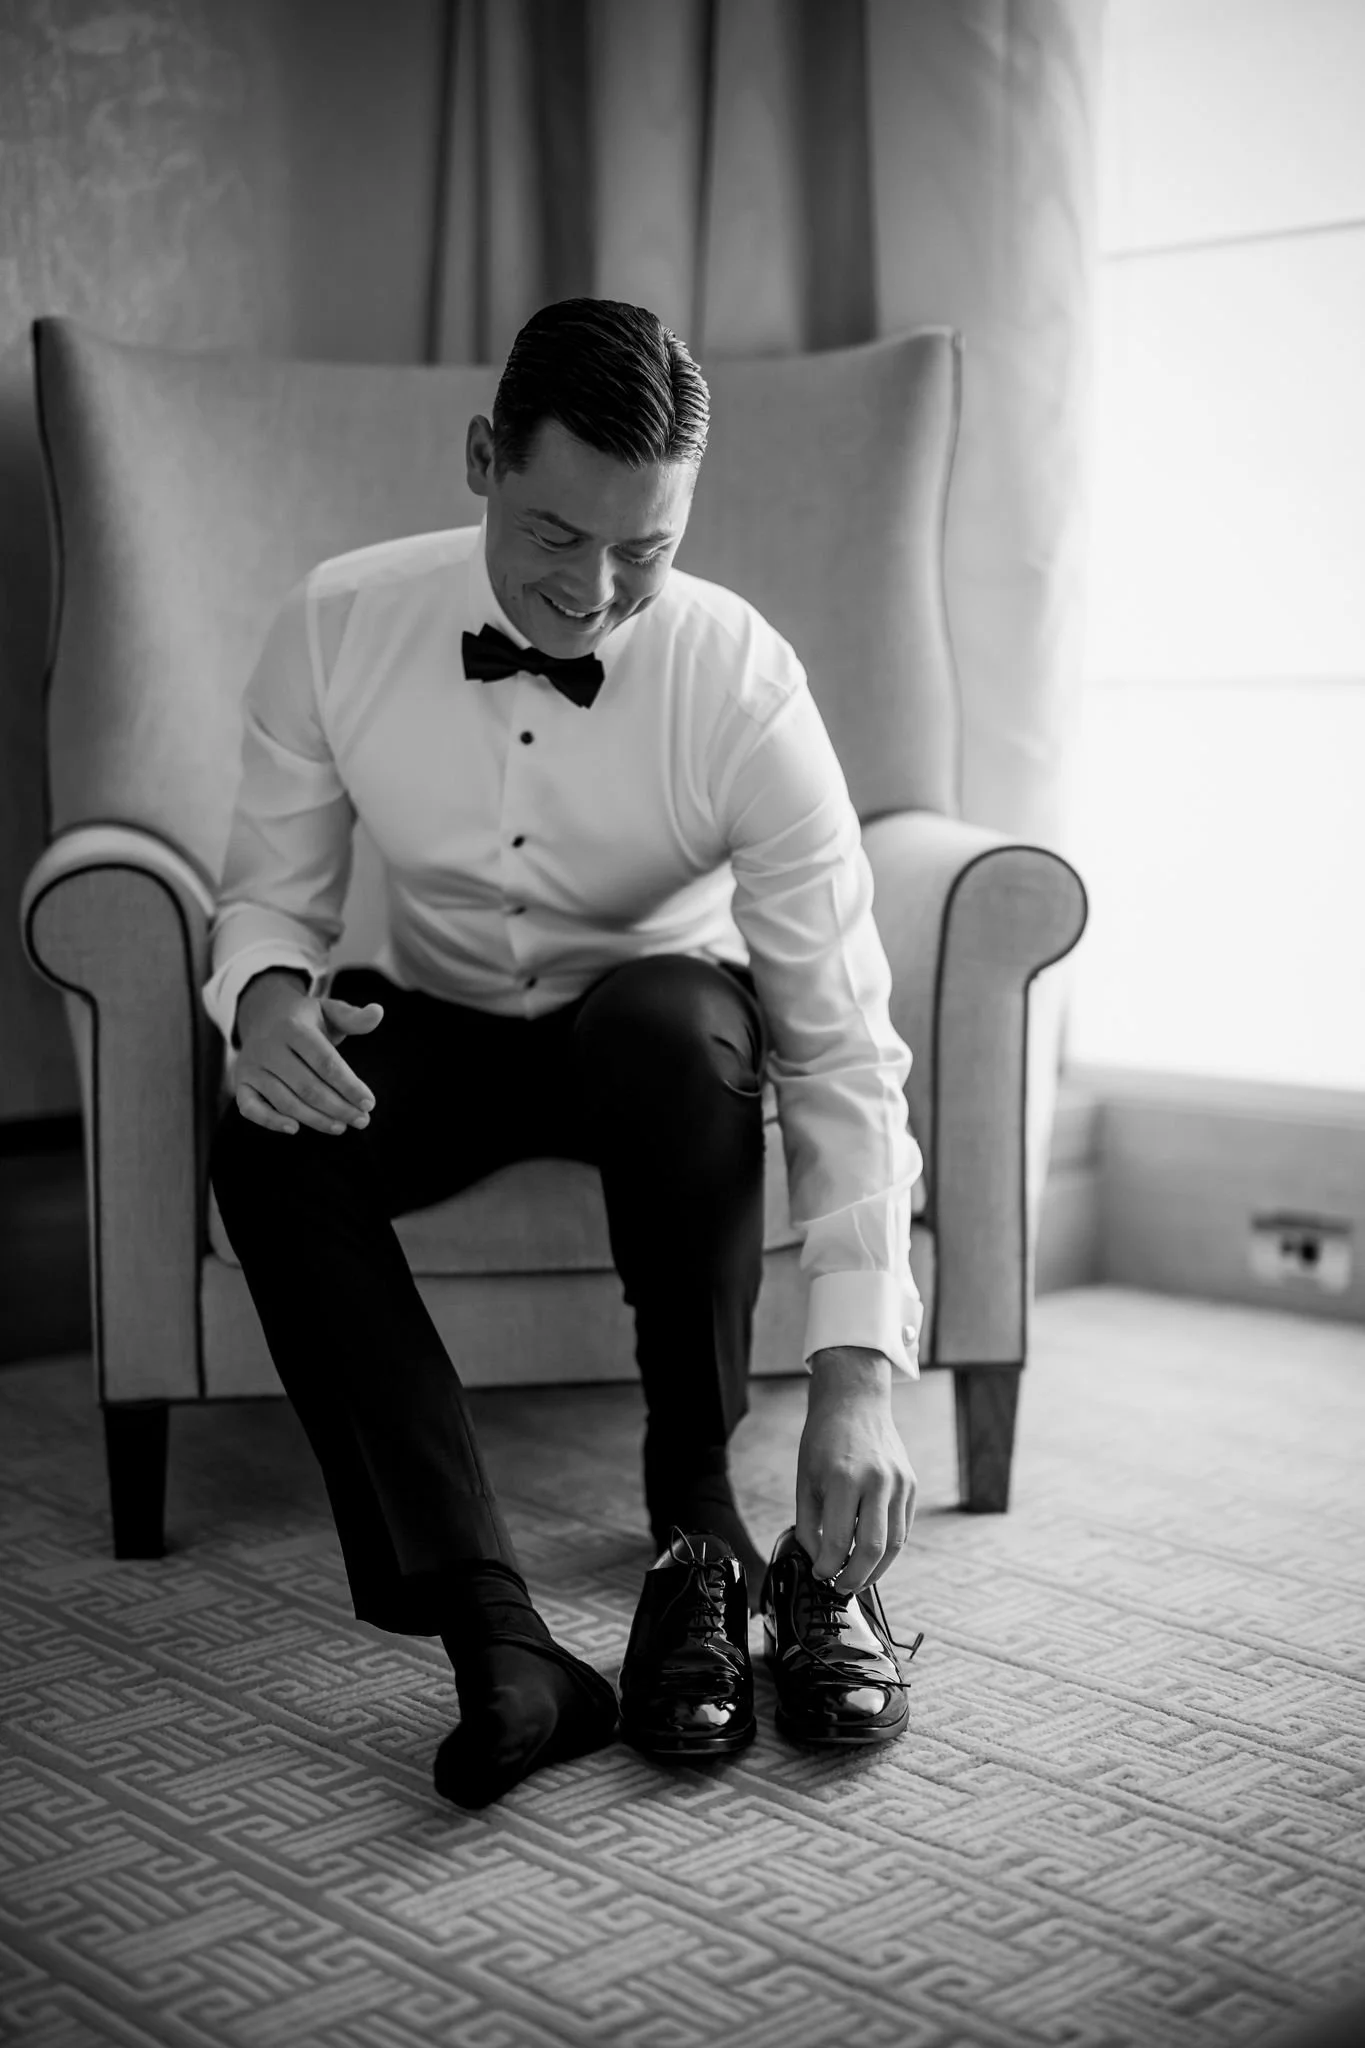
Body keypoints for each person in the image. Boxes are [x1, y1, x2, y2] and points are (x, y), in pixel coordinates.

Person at [206, 297, 927, 1810]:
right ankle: (500, 1637)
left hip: (657, 1028)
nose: (594, 593)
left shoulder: (740, 682)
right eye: (554, 532)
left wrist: (860, 1371)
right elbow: (271, 895)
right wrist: (265, 998)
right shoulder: (336, 623)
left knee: (673, 1028)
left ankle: (697, 1506)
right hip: (441, 1013)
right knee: (265, 1136)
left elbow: (843, 1044)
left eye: (644, 549)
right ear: (483, 457)